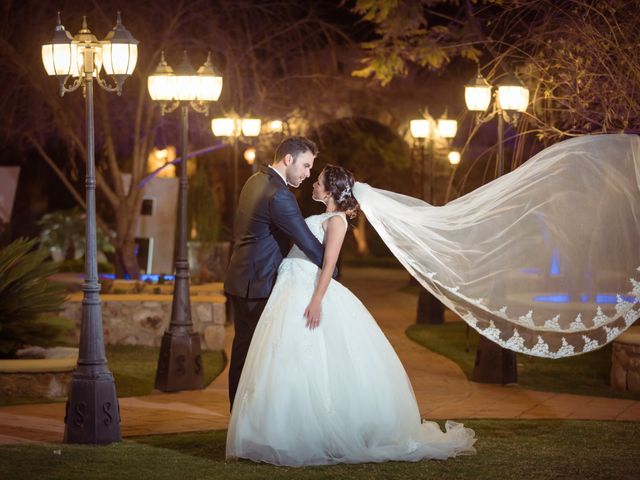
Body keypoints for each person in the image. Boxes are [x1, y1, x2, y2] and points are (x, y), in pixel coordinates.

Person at [226, 165, 477, 466]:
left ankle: (311, 431)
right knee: (283, 357)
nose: (313, 186)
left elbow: (329, 263)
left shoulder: (337, 221)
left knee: (309, 357)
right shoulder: (321, 216)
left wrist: (317, 299)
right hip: (289, 285)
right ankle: (280, 428)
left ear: (331, 190)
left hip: (307, 288)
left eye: (318, 183)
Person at [224, 136, 336, 410]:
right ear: (289, 159)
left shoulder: (255, 180)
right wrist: (333, 272)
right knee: (258, 355)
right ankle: (248, 418)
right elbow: (307, 242)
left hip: (242, 279)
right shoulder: (279, 195)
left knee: (243, 351)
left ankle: (239, 416)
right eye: (306, 166)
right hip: (259, 283)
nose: (308, 173)